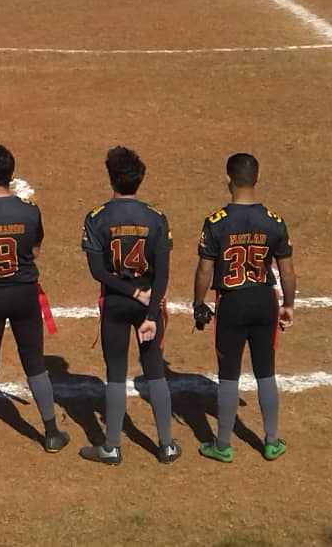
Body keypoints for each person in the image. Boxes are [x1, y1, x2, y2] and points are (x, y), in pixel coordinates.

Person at [0, 144, 69, 458]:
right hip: (23, 295)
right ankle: (50, 432)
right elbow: (34, 251)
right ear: (12, 174)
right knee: (34, 363)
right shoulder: (30, 211)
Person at [79, 146, 180, 465]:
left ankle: (111, 446)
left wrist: (130, 294)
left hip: (116, 303)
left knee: (115, 373)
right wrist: (150, 311)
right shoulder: (156, 218)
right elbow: (163, 273)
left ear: (111, 177)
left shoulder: (97, 217)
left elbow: (98, 271)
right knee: (155, 372)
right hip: (149, 302)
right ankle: (166, 445)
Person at [194, 153, 295, 463]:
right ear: (257, 179)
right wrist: (288, 304)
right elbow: (287, 271)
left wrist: (198, 303)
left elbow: (203, 271)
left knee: (228, 375)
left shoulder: (216, 222)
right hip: (265, 300)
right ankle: (272, 441)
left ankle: (222, 444)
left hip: (232, 303)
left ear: (229, 180)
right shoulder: (274, 221)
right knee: (266, 371)